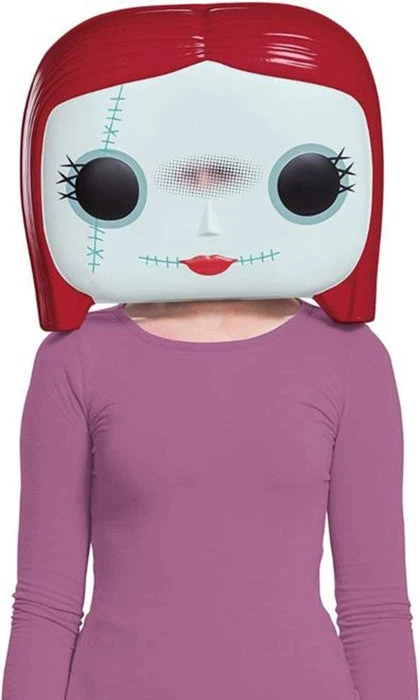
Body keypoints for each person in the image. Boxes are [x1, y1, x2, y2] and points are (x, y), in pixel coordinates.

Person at [1, 4, 418, 700]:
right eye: (182, 173)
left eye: (228, 173)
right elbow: (45, 603)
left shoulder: (352, 359)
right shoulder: (73, 360)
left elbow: (375, 606)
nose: (207, 209)